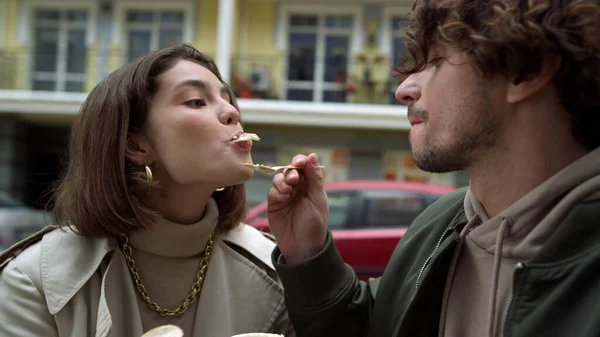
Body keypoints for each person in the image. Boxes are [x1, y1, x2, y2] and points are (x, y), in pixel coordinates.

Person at [266, 0, 600, 336]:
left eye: (435, 62)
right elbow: (374, 327)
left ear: (526, 71)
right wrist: (308, 253)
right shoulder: (438, 225)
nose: (403, 90)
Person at [0, 44, 295, 337]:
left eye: (227, 99)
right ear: (136, 145)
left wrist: (315, 256)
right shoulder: (35, 281)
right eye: (196, 101)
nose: (231, 111)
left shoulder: (276, 268)